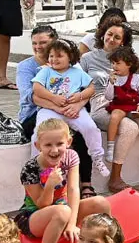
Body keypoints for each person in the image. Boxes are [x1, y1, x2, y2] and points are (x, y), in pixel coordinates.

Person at [17, 119, 112, 243]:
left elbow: (74, 190)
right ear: (38, 145)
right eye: (48, 145)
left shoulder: (71, 156)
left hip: (64, 209)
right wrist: (50, 185)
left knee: (101, 203)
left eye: (59, 143)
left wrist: (71, 224)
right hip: (33, 217)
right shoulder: (30, 169)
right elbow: (41, 205)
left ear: (68, 142)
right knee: (61, 211)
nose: (54, 150)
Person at [20, 25, 102, 197]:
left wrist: (77, 105)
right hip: (37, 113)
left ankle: (85, 183)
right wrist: (58, 106)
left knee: (77, 133)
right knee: (55, 135)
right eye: (34, 43)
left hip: (68, 108)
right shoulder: (27, 67)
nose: (38, 47)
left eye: (43, 42)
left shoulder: (72, 66)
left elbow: (87, 90)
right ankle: (39, 174)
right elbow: (33, 97)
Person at [32, 39, 110, 178]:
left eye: (59, 56)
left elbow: (91, 88)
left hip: (74, 110)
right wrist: (53, 98)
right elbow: (37, 89)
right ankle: (36, 163)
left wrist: (80, 96)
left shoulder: (77, 72)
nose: (54, 59)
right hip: (50, 110)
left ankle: (97, 157)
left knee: (90, 127)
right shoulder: (45, 72)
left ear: (71, 57)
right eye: (51, 56)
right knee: (40, 131)